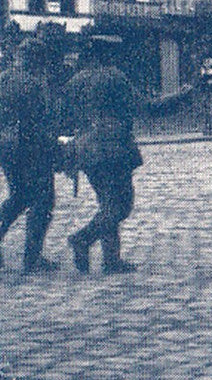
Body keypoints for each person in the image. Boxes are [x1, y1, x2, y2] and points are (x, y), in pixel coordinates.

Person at [63, 39, 143, 274]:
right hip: (113, 148)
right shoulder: (114, 77)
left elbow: (62, 116)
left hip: (86, 150)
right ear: (107, 55)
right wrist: (181, 97)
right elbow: (143, 107)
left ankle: (111, 260)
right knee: (121, 206)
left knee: (107, 203)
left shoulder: (75, 81)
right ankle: (82, 239)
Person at [0, 36, 65, 273]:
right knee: (43, 200)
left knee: (18, 196)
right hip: (31, 149)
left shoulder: (4, 78)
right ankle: (32, 257)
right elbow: (39, 123)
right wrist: (54, 146)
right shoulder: (35, 85)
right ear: (38, 61)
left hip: (5, 146)